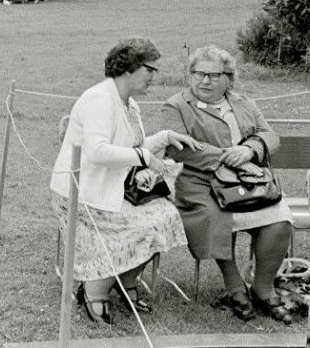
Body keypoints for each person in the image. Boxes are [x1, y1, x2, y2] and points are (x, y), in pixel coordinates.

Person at [50, 38, 201, 323]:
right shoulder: (100, 100)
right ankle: (93, 291)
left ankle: (123, 281)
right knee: (139, 229)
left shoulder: (129, 104)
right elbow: (97, 152)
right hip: (81, 194)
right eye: (150, 70)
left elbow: (135, 144)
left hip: (110, 192)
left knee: (165, 216)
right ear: (128, 69)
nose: (154, 77)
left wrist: (166, 137)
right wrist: (143, 156)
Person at [162, 45, 294, 324]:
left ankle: (263, 287)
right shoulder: (176, 105)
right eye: (198, 73)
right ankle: (234, 287)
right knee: (216, 217)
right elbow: (179, 149)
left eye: (212, 75)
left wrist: (250, 150)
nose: (204, 80)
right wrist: (227, 158)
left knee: (280, 219)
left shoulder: (243, 101)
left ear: (228, 78)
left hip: (248, 181)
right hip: (201, 182)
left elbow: (270, 135)